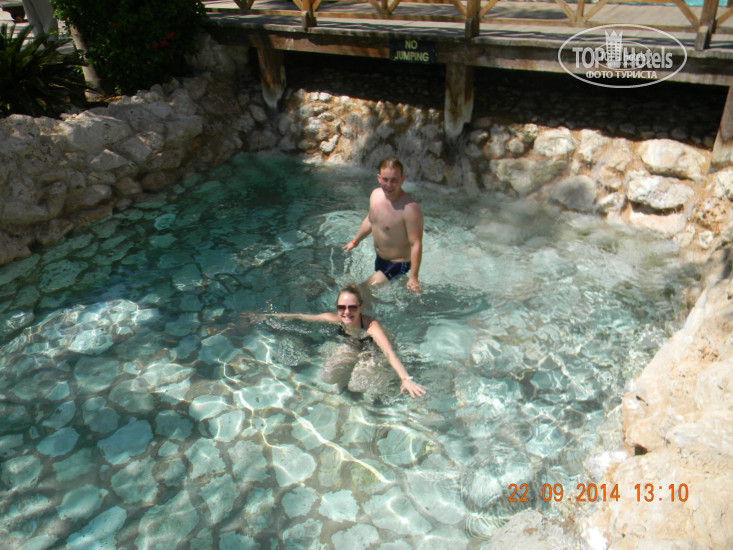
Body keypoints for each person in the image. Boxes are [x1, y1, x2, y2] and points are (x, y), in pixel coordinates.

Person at [255, 284, 426, 399]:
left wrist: (405, 378)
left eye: (352, 307)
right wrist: (265, 316)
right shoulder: (336, 319)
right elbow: (301, 316)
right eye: (342, 307)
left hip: (374, 350)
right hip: (353, 344)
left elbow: (389, 352)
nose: (346, 312)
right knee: (327, 376)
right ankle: (352, 370)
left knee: (358, 385)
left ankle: (389, 378)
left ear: (360, 308)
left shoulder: (371, 326)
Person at [343, 158, 424, 293]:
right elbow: (370, 220)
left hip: (398, 264)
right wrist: (355, 241)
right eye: (385, 179)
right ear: (379, 178)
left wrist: (414, 277)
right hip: (380, 259)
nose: (389, 185)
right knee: (373, 295)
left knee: (361, 291)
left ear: (402, 180)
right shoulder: (375, 195)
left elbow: (415, 243)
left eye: (394, 180)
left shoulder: (410, 209)